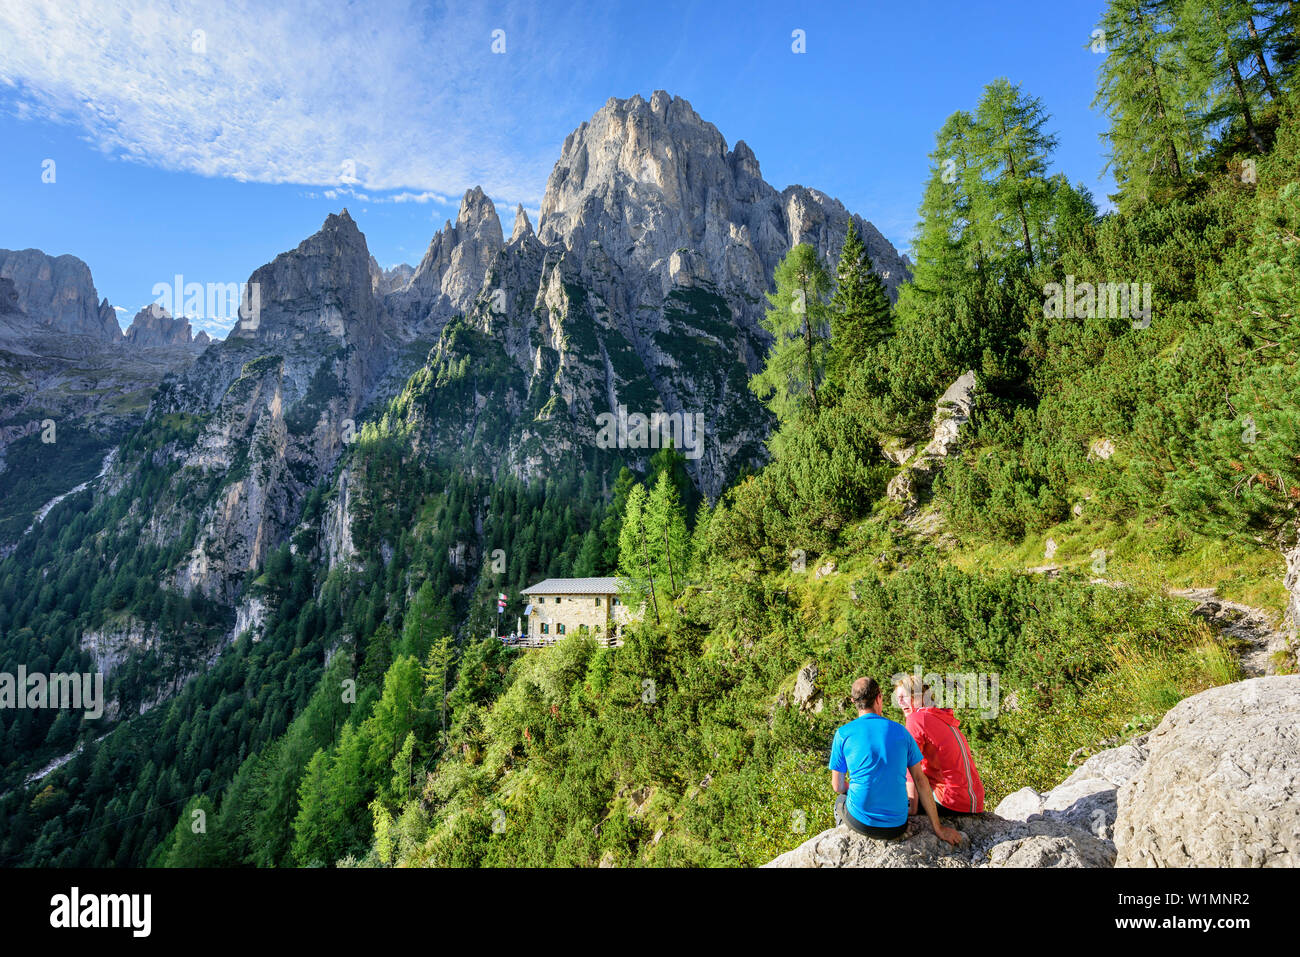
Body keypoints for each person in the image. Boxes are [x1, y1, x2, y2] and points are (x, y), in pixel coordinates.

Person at [828, 677, 962, 845]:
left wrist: (857, 786)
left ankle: (846, 840)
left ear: (853, 701)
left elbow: (838, 787)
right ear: (879, 698)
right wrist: (938, 828)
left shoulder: (843, 733)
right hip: (898, 825)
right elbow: (920, 781)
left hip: (863, 823)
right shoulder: (902, 732)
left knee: (840, 801)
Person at [893, 674, 985, 818]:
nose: (899, 702)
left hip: (950, 801)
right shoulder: (941, 717)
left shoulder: (916, 719)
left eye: (903, 697)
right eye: (897, 698)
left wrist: (912, 807)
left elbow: (910, 768)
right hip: (973, 801)